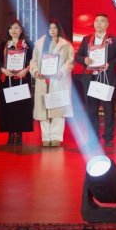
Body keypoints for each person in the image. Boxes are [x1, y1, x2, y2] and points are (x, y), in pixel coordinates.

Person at [74, 12, 116, 147]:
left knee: (109, 110)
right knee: (91, 109)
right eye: (96, 21)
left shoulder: (115, 39)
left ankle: (108, 137)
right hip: (90, 78)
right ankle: (93, 137)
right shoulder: (86, 39)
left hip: (108, 78)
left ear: (107, 24)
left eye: (102, 21)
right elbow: (77, 56)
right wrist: (84, 60)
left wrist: (110, 63)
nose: (98, 23)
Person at [30, 19, 74, 147]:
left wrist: (62, 72)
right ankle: (46, 137)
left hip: (58, 81)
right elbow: (33, 61)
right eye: (50, 28)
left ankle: (56, 137)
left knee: (57, 110)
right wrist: (36, 71)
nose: (52, 30)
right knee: (43, 110)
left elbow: (70, 62)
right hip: (43, 81)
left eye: (55, 28)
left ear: (59, 29)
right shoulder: (39, 44)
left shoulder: (66, 45)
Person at [0, 19, 33, 146]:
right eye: (11, 28)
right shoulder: (4, 44)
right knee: (9, 107)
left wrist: (25, 70)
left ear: (21, 30)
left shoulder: (27, 44)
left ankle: (19, 134)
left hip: (22, 79)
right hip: (7, 80)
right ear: (8, 30)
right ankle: (11, 133)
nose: (13, 30)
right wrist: (4, 70)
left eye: (16, 28)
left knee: (21, 107)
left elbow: (33, 61)